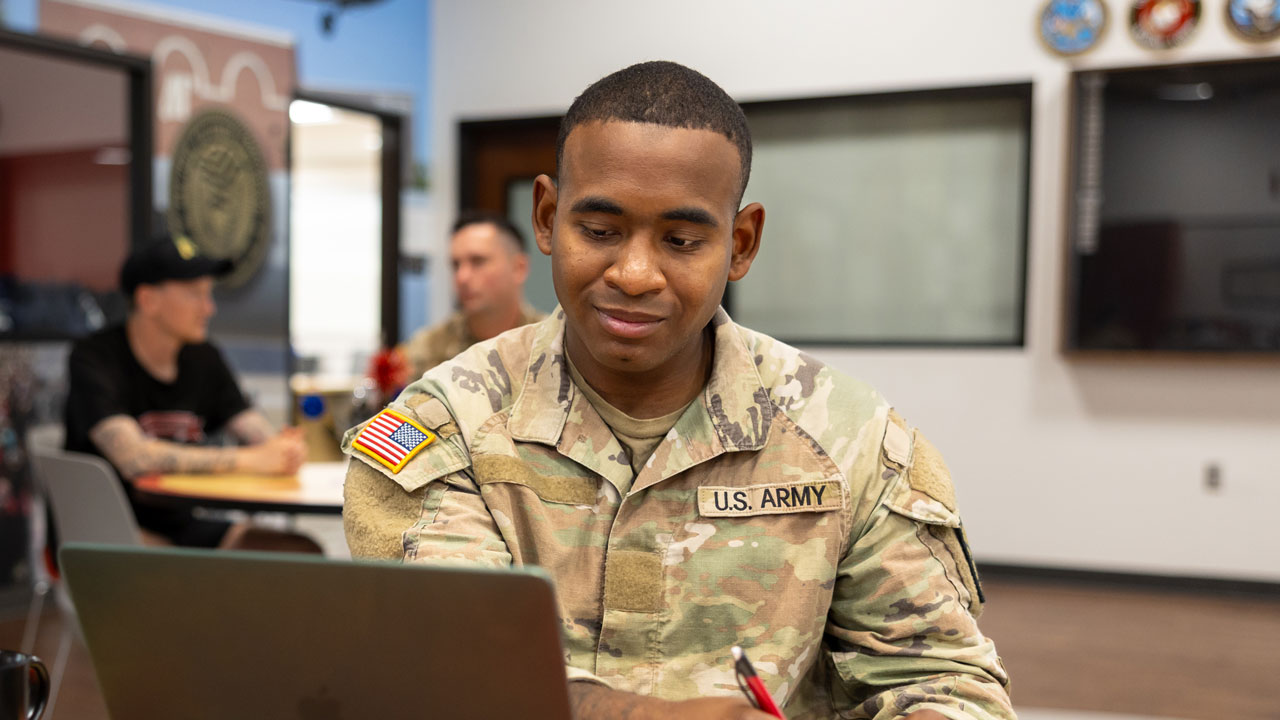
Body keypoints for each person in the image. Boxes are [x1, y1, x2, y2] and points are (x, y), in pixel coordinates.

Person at [342, 62, 1013, 720]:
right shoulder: (446, 425)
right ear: (546, 217)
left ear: (741, 243)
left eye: (683, 240)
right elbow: (453, 666)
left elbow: (942, 679)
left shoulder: (850, 440)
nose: (634, 273)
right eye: (599, 232)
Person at [63, 234, 319, 552]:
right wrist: (250, 460)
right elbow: (133, 457)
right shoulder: (95, 357)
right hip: (111, 532)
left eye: (209, 294)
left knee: (299, 551)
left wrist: (282, 448)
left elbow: (250, 425)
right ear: (148, 300)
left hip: (182, 524)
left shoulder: (202, 356)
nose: (209, 308)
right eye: (195, 294)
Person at [400, 212, 545, 379]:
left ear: (519, 268)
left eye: (478, 261)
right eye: (456, 265)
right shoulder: (427, 350)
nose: (462, 277)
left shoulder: (553, 344)